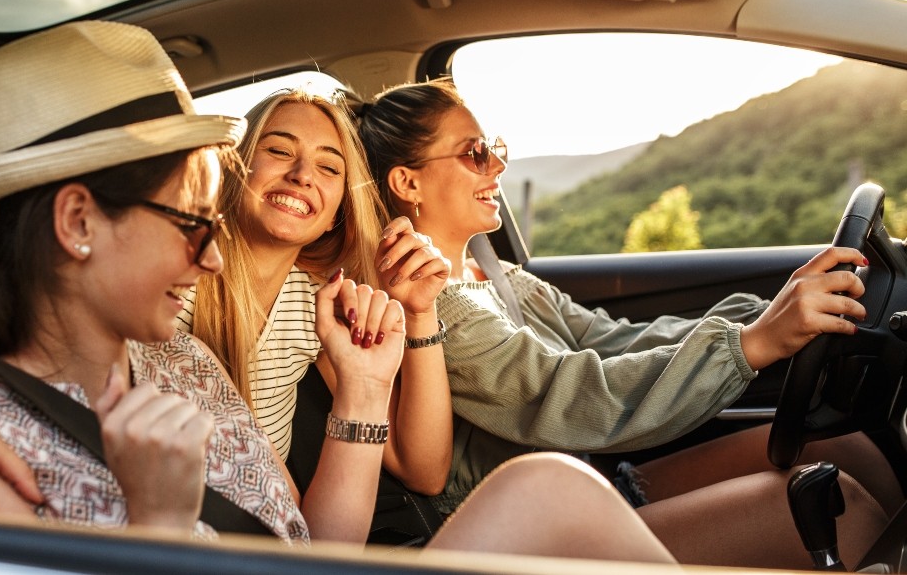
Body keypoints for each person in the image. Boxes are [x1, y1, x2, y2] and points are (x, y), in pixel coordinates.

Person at [0, 18, 682, 562]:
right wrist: (161, 526)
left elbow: (308, 546)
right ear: (77, 221)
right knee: (551, 492)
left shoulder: (177, 358)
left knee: (552, 490)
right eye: (190, 223)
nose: (208, 259)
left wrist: (365, 393)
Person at [357, 77, 900, 568]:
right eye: (475, 154)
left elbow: (613, 340)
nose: (496, 166)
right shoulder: (436, 312)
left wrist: (768, 316)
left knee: (848, 450)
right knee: (840, 508)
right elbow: (565, 391)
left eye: (493, 149)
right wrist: (751, 345)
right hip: (530, 534)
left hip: (595, 484)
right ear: (408, 182)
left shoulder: (498, 276)